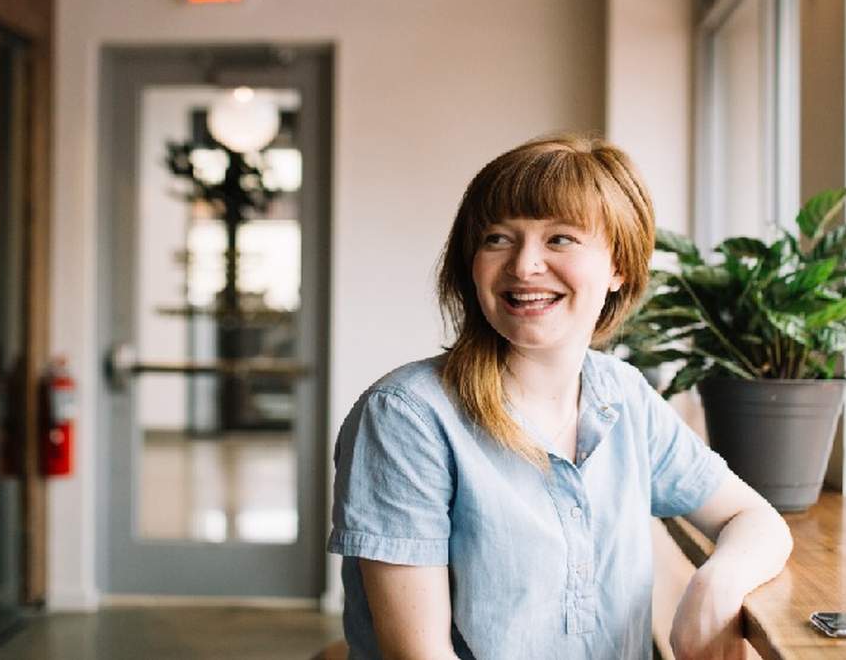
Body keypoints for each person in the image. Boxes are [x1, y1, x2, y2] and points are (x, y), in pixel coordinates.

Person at [327, 135, 793, 660]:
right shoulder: (406, 416)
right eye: (498, 239)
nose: (524, 266)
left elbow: (754, 520)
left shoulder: (623, 395)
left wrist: (716, 587)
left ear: (619, 265)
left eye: (561, 239)